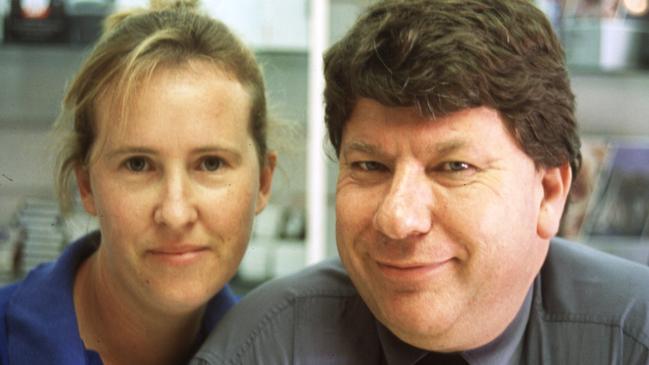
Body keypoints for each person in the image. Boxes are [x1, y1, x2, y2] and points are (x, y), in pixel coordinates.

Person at [191, 0, 649, 364]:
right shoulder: (268, 346)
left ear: (549, 194)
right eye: (370, 167)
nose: (397, 218)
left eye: (454, 167)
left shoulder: (631, 340)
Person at [0, 0, 276, 363]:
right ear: (86, 186)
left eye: (210, 164)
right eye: (137, 164)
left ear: (263, 183)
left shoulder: (275, 351)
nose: (175, 214)